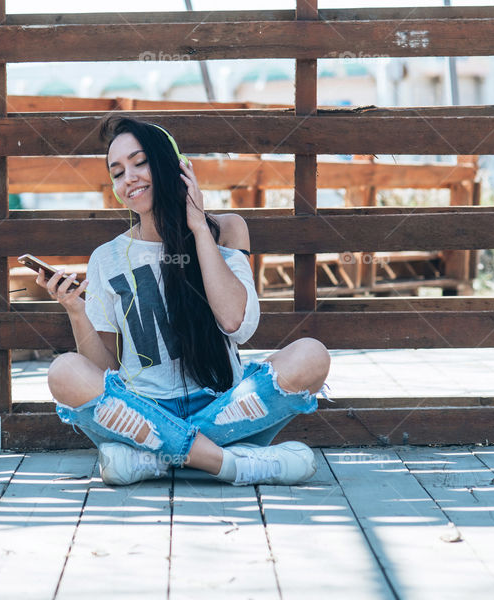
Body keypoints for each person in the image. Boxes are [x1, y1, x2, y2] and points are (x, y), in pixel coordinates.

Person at [36, 115, 331, 487]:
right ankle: (230, 464)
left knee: (311, 354)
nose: (129, 178)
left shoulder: (226, 230)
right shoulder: (106, 258)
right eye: (117, 172)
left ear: (174, 167)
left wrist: (196, 226)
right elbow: (106, 370)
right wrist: (76, 312)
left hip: (224, 408)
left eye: (140, 163)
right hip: (143, 413)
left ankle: (155, 459)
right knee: (64, 371)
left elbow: (234, 323)